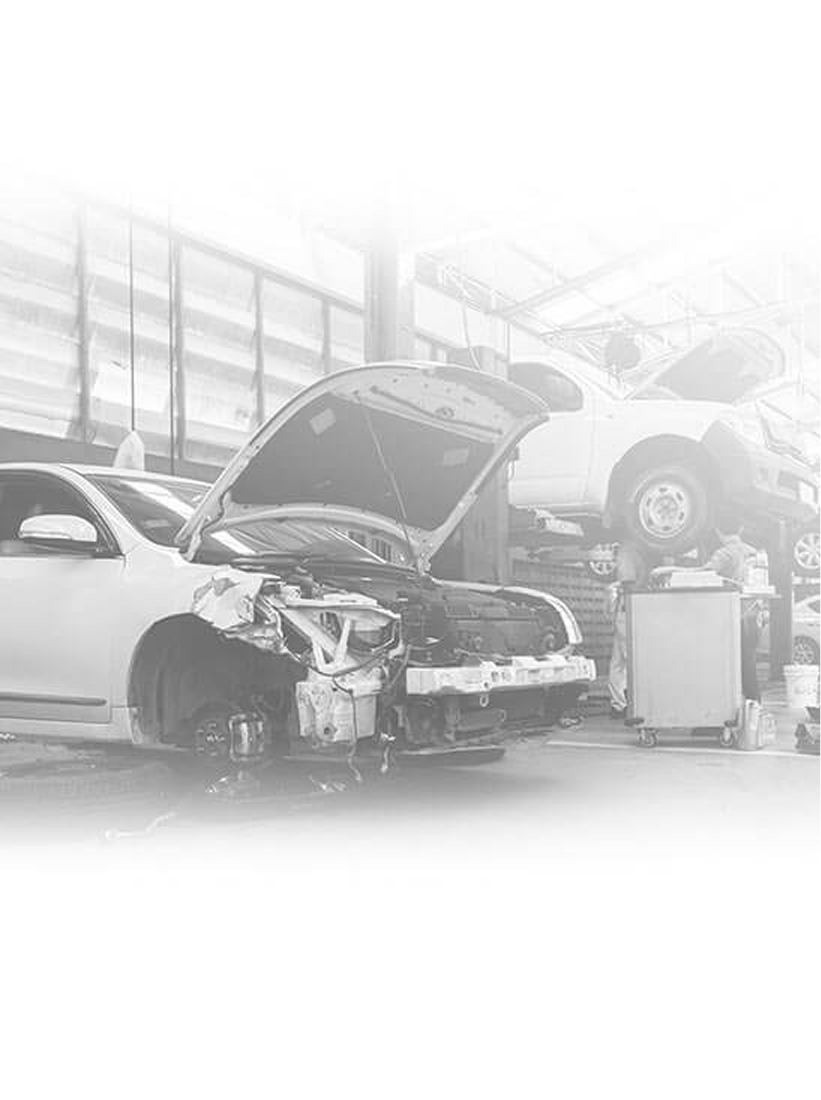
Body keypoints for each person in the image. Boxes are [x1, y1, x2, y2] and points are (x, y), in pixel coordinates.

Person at [608, 538, 651, 718]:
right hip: (630, 610)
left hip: (627, 610)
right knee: (627, 659)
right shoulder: (636, 551)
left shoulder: (626, 551)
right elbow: (630, 582)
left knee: (621, 660)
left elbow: (627, 581)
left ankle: (620, 704)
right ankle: (628, 704)